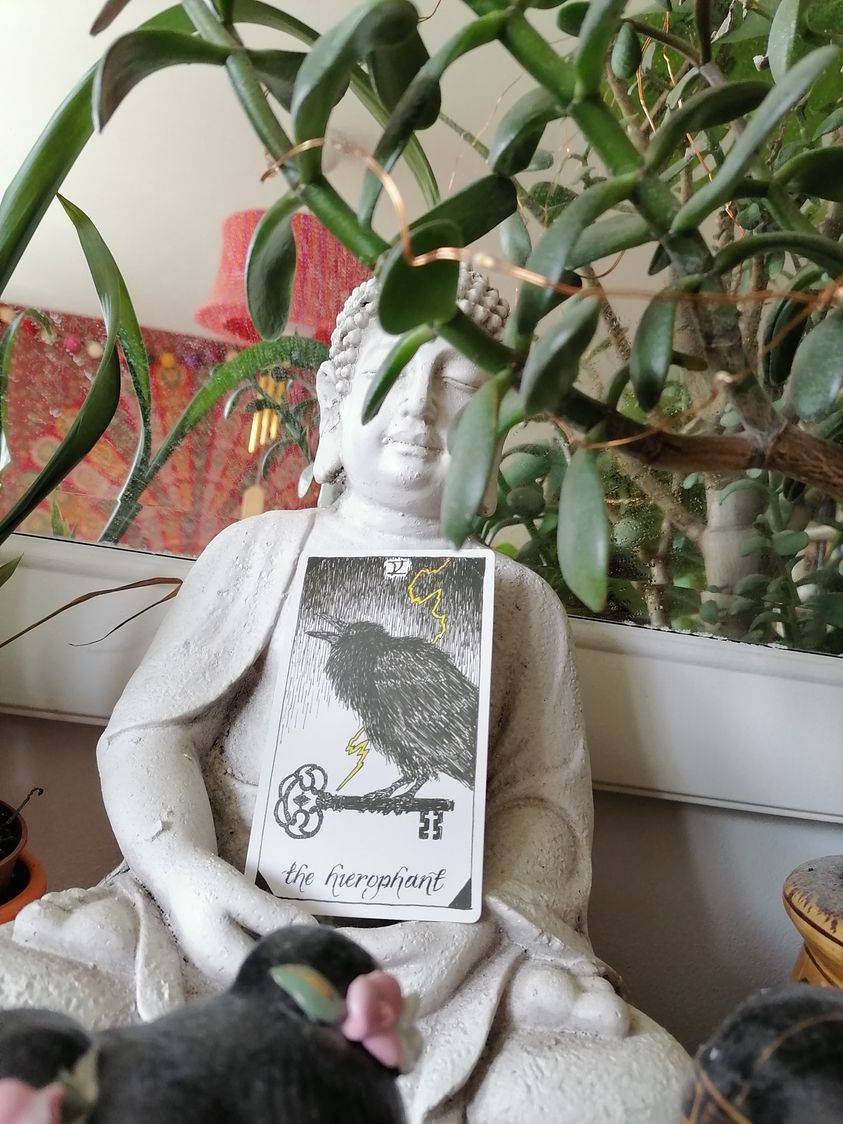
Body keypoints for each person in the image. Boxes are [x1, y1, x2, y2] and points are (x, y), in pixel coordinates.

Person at [0, 269, 690, 1121]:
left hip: (442, 948)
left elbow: (538, 802)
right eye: (390, 375)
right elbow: (152, 734)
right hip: (233, 904)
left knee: (630, 1085)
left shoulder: (516, 599)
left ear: (496, 432)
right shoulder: (260, 550)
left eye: (458, 386)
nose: (418, 409)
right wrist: (183, 877)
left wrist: (482, 920)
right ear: (333, 410)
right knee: (24, 986)